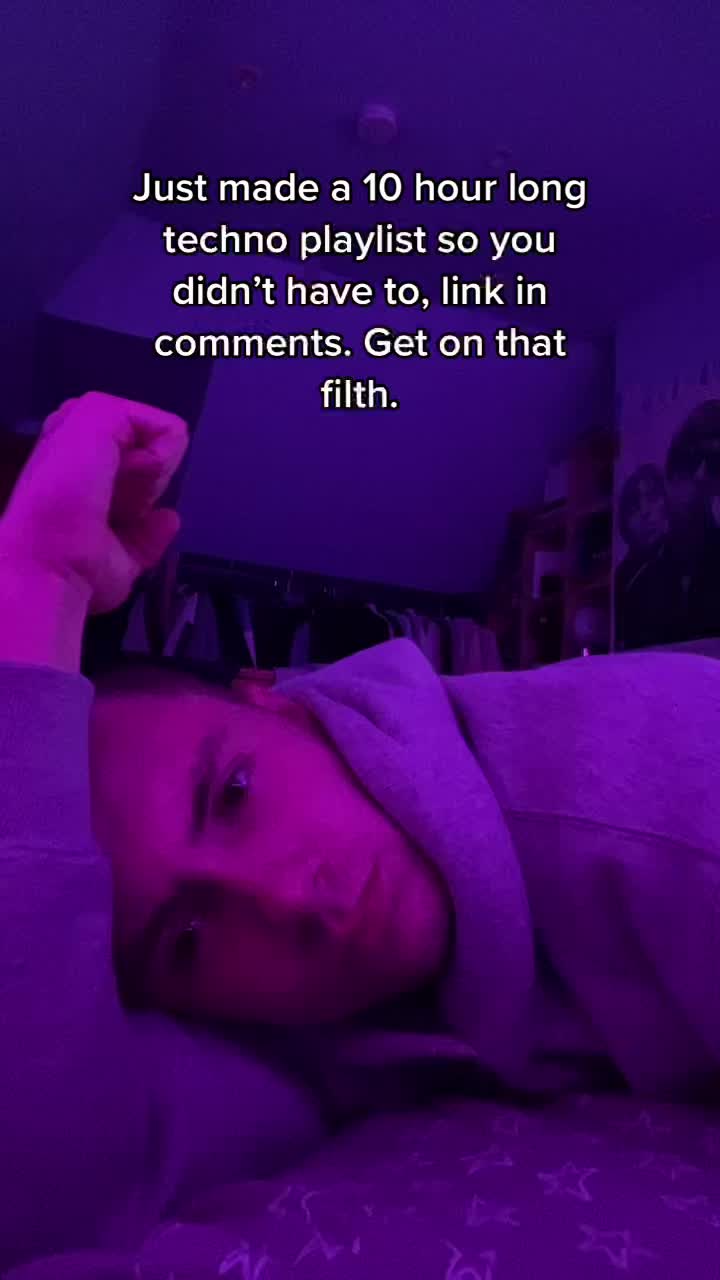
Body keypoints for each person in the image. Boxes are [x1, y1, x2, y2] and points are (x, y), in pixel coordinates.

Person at [4, 393, 720, 1271]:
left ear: (278, 700)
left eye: (236, 794)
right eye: (187, 939)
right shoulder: (286, 1033)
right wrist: (33, 596)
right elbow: (58, 1212)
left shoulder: (648, 778)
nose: (287, 900)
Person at [614, 463, 687, 649]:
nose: (645, 511)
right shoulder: (623, 577)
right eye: (634, 506)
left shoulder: (687, 558)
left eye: (652, 497)